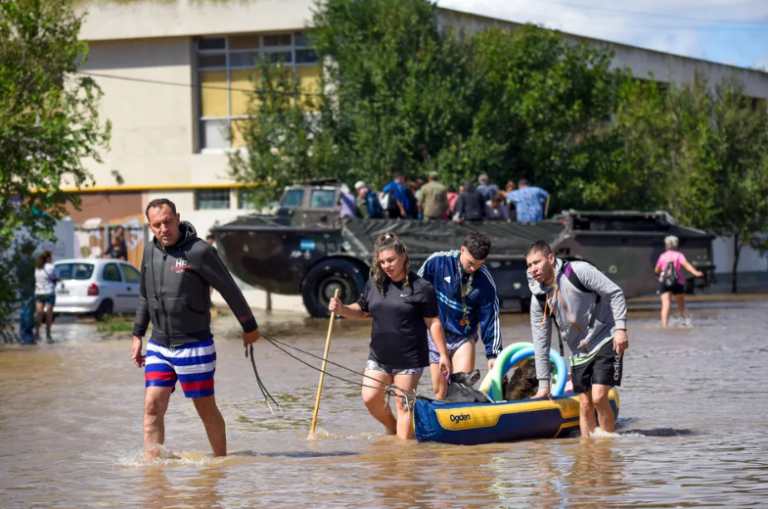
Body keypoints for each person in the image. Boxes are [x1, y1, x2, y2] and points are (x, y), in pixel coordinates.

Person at [130, 198, 261, 459]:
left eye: (168, 222)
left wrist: (249, 327)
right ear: (149, 226)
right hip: (159, 346)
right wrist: (137, 334)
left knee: (205, 409)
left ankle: (219, 465)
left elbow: (229, 289)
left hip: (195, 346)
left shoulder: (200, 252)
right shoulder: (149, 252)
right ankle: (154, 473)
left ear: (177, 218)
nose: (163, 229)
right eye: (157, 225)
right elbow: (145, 296)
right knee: (152, 405)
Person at [329, 233, 451, 439]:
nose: (387, 265)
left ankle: (403, 458)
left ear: (403, 256)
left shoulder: (422, 287)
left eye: (391, 260)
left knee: (403, 404)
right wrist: (341, 309)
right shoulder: (375, 284)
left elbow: (434, 323)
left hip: (409, 359)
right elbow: (361, 310)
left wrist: (443, 355)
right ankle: (392, 428)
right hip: (379, 357)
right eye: (383, 261)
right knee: (370, 397)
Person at [525, 240, 629, 437]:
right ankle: (587, 458)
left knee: (598, 399)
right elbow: (540, 341)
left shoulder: (577, 271)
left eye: (536, 262)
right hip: (578, 351)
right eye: (529, 265)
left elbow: (615, 293)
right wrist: (544, 385)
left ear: (550, 258)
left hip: (606, 338)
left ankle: (607, 452)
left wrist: (621, 329)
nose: (533, 269)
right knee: (584, 404)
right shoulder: (538, 299)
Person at [417, 231, 502, 400]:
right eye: (470, 263)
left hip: (463, 337)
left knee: (461, 390)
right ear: (462, 250)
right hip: (435, 335)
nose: (472, 268)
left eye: (479, 264)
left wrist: (493, 354)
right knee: (440, 393)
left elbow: (491, 318)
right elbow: (415, 290)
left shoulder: (485, 282)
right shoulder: (437, 262)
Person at [655, 235, 703, 327]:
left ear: (666, 245)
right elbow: (686, 265)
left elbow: (656, 270)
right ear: (676, 245)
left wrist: (664, 272)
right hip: (678, 282)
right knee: (681, 305)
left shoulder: (662, 256)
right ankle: (684, 323)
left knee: (665, 305)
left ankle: (664, 326)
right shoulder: (679, 255)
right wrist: (696, 272)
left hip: (664, 282)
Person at [34, 250, 59, 343]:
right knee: (49, 313)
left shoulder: (37, 268)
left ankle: (37, 333)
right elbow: (58, 277)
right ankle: (48, 334)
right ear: (48, 258)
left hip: (39, 292)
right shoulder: (51, 267)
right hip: (49, 292)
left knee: (39, 313)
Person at [17, 242, 36, 344]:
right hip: (30, 288)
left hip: (22, 287)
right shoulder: (32, 262)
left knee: (23, 310)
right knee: (29, 310)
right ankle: (28, 333)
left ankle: (22, 333)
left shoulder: (19, 262)